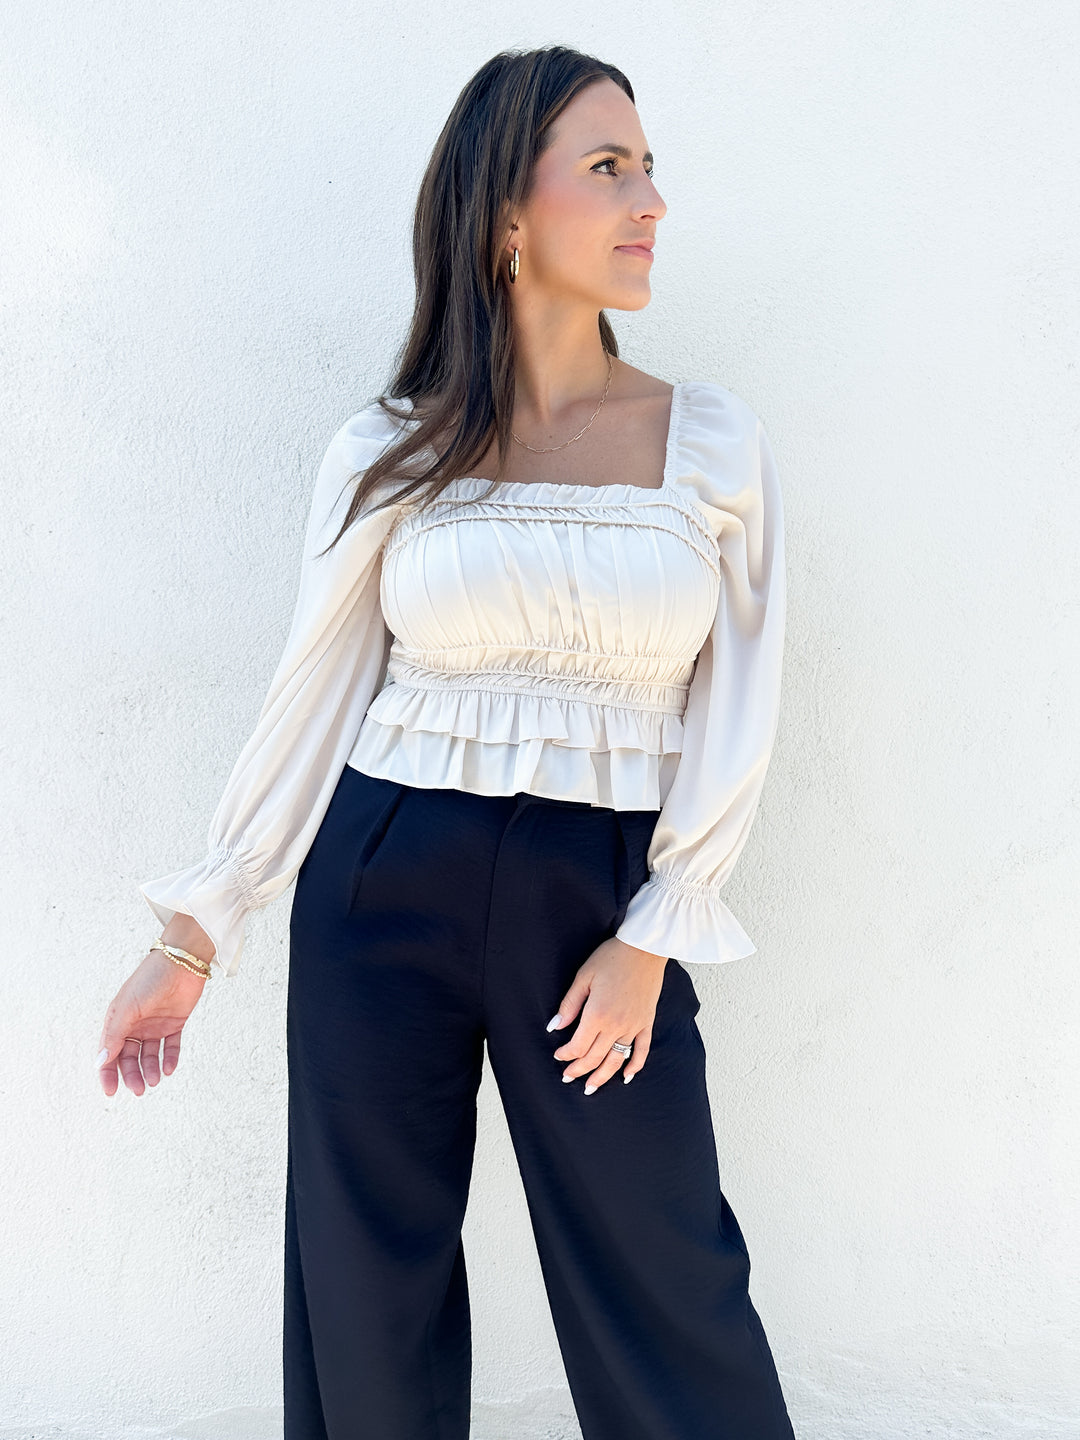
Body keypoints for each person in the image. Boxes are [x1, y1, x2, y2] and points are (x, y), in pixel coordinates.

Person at [96, 44, 796, 1440]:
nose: (651, 201)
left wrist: (656, 930)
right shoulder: (390, 449)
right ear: (507, 214)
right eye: (610, 168)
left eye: (650, 168)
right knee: (366, 1289)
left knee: (669, 1275)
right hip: (383, 875)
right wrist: (195, 932)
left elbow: (741, 700)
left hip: (600, 899)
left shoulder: (709, 445)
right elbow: (314, 694)